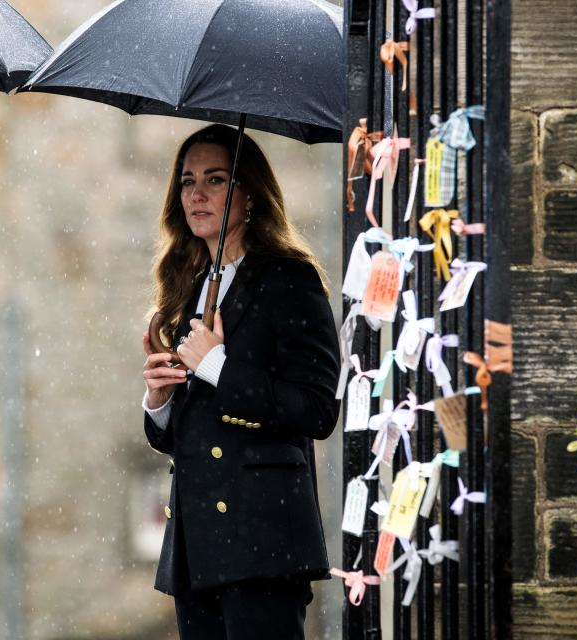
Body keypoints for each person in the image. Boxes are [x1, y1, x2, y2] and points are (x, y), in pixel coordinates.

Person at [141, 124, 340, 639]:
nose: (197, 194)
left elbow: (317, 410)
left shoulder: (289, 279)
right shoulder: (187, 286)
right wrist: (159, 401)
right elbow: (188, 432)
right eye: (187, 181)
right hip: (197, 541)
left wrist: (217, 366)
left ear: (249, 194)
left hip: (264, 538)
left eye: (216, 179)